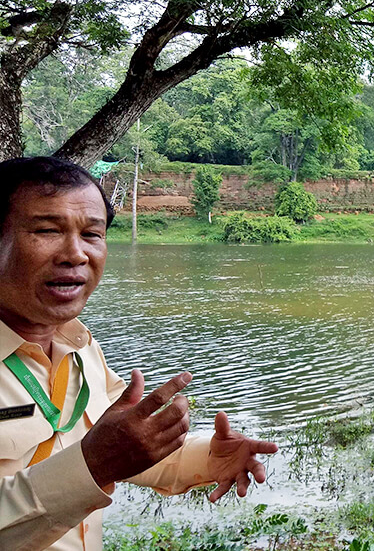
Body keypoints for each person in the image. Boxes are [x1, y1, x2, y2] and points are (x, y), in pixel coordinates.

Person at [0, 156, 278, 550]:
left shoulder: (79, 346)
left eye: (92, 234)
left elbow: (124, 448)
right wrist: (91, 466)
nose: (75, 254)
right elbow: (100, 457)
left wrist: (211, 457)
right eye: (47, 229)